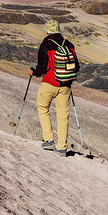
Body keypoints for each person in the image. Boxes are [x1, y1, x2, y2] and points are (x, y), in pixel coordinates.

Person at [29, 19, 79, 157]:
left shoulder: (46, 44)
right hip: (65, 86)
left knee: (42, 108)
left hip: (49, 83)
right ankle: (62, 147)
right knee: (63, 116)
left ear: (47, 30)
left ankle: (49, 140)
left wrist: (34, 72)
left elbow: (42, 68)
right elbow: (77, 67)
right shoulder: (68, 45)